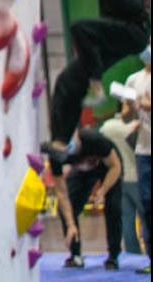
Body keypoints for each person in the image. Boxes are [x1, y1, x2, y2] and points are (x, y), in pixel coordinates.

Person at [44, 0, 150, 154]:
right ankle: (61, 142)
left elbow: (135, 5)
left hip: (133, 33)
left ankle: (96, 84)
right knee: (68, 81)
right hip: (110, 33)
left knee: (80, 28)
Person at [51, 126, 124, 270]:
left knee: (113, 207)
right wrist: (70, 223)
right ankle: (75, 255)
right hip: (82, 170)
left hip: (108, 166)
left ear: (78, 134)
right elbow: (61, 192)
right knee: (66, 208)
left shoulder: (94, 140)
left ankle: (113, 256)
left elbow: (115, 167)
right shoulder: (56, 154)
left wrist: (103, 190)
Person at [124, 46, 152, 274]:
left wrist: (144, 104)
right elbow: (126, 113)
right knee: (147, 204)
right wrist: (131, 107)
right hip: (144, 150)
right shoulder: (134, 80)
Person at [98, 113, 141, 254]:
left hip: (118, 178)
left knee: (126, 221)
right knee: (146, 219)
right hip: (137, 177)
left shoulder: (107, 127)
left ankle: (133, 255)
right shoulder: (136, 127)